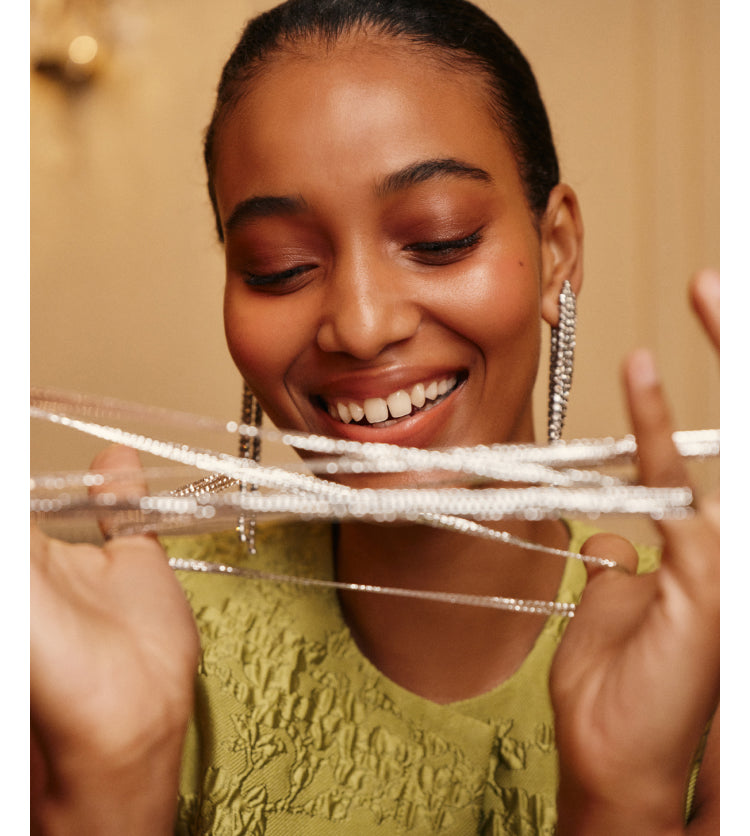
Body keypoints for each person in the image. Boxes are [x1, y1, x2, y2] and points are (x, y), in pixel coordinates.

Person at [30, 0, 720, 833]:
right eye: (279, 267)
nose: (359, 324)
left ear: (556, 252)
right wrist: (113, 777)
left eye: (438, 239)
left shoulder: (711, 663)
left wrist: (622, 797)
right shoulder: (118, 648)